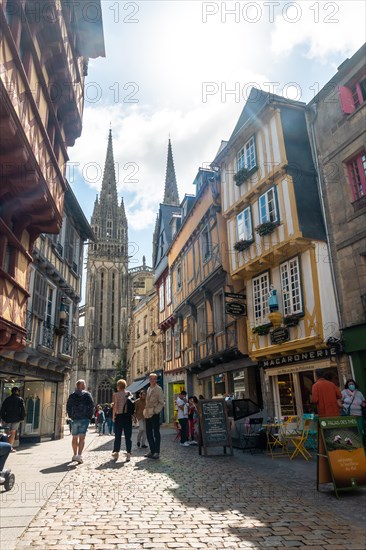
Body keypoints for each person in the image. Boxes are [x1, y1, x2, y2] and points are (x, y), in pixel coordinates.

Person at [66, 379, 94, 464]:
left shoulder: (72, 395)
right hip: (84, 419)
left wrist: (71, 416)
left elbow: (68, 407)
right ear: (81, 386)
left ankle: (75, 455)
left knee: (74, 437)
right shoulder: (87, 395)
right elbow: (91, 406)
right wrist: (89, 417)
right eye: (84, 384)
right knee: (82, 437)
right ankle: (79, 455)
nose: (85, 385)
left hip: (75, 419)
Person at [112, 379, 135, 462]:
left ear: (118, 386)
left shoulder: (116, 395)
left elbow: (115, 406)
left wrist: (113, 416)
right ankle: (128, 454)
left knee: (117, 435)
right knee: (128, 436)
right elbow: (132, 405)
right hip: (128, 417)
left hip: (119, 416)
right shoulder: (129, 394)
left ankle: (116, 452)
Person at [144, 373, 164, 459]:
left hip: (154, 413)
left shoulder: (159, 389)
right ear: (149, 380)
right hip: (147, 413)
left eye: (154, 379)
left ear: (156, 380)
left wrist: (156, 411)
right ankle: (152, 450)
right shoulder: (148, 388)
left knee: (156, 433)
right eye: (151, 379)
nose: (152, 380)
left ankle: (156, 452)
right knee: (148, 433)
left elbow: (161, 402)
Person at [0, 387, 26, 451]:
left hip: (8, 418)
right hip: (16, 419)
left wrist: (3, 418)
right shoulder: (20, 399)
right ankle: (10, 447)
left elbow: (2, 409)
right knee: (13, 432)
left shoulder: (7, 399)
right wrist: (22, 417)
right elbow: (23, 410)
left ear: (12, 391)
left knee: (7, 432)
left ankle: (5, 446)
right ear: (17, 391)